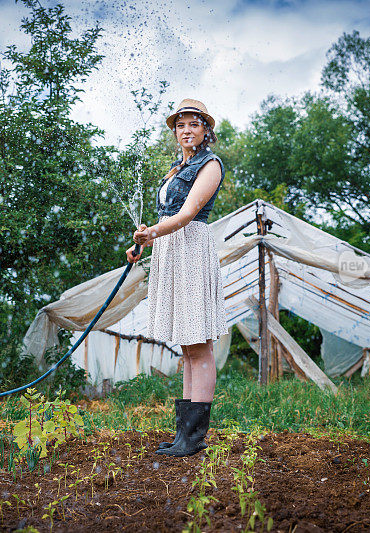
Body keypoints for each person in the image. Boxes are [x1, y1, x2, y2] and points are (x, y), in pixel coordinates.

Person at [127, 98, 229, 457]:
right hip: (169, 249)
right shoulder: (175, 169)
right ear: (175, 132)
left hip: (189, 247)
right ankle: (183, 435)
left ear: (206, 130)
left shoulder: (210, 165)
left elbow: (187, 214)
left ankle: (194, 437)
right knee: (187, 348)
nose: (186, 131)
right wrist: (142, 243)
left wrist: (152, 233)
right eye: (180, 126)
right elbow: (165, 213)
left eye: (193, 125)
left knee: (199, 345)